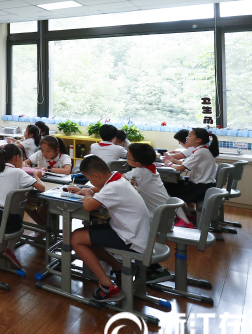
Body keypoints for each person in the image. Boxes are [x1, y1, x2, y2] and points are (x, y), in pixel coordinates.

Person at [66, 155, 150, 302]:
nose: (90, 183)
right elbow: (100, 188)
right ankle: (118, 267)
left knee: (76, 238)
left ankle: (108, 287)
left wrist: (87, 193)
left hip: (131, 237)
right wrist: (86, 190)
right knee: (87, 235)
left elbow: (88, 206)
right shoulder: (117, 179)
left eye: (90, 179)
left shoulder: (113, 187)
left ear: (96, 175)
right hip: (132, 231)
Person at [123, 143, 175, 282]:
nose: (126, 158)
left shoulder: (139, 172)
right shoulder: (151, 171)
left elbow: (118, 180)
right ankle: (149, 265)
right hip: (165, 217)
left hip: (155, 221)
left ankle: (135, 263)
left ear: (138, 163)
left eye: (127, 157)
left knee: (119, 222)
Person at [164, 128, 220, 214]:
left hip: (201, 188)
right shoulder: (202, 150)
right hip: (204, 185)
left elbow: (181, 168)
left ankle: (182, 216)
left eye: (189, 135)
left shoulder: (200, 152)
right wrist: (173, 161)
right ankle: (189, 213)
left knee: (166, 187)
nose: (186, 138)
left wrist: (168, 163)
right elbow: (187, 163)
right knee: (176, 182)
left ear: (198, 140)